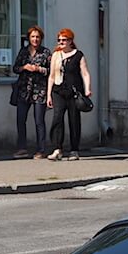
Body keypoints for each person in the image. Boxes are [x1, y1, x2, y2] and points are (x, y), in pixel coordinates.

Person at [45, 28, 92, 161]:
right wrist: (48, 95)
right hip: (58, 91)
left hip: (74, 92)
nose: (61, 42)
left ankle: (74, 150)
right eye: (59, 40)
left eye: (64, 40)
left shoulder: (78, 55)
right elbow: (51, 77)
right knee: (57, 118)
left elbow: (85, 73)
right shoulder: (56, 55)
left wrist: (87, 89)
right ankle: (57, 149)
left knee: (74, 120)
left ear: (70, 41)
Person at [11, 25, 51, 158]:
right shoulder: (23, 51)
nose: (35, 39)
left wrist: (39, 69)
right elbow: (15, 68)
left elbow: (52, 71)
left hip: (40, 90)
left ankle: (41, 149)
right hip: (24, 89)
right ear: (29, 38)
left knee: (39, 120)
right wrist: (24, 67)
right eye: (33, 37)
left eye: (38, 37)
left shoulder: (45, 53)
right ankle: (22, 148)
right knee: (20, 119)